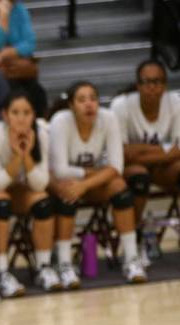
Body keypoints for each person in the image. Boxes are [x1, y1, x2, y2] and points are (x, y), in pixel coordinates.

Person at [49, 81, 147, 286]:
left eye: (93, 98)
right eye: (82, 100)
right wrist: (92, 174)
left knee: (119, 187)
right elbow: (60, 170)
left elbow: (116, 167)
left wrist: (85, 183)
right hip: (59, 183)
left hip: (88, 184)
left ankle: (131, 258)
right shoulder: (60, 120)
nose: (89, 104)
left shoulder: (108, 118)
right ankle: (64, 263)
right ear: (71, 106)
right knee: (68, 187)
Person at [0, 90, 54, 295]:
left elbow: (40, 184)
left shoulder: (41, 133)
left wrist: (27, 155)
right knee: (1, 202)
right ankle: (1, 271)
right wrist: (16, 157)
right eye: (15, 112)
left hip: (23, 190)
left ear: (33, 115)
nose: (21, 118)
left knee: (43, 202)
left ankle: (44, 267)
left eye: (26, 112)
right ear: (5, 115)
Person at [111, 59, 180, 224]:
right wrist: (164, 150)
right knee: (140, 178)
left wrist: (140, 151)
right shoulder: (121, 105)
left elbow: (179, 149)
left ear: (165, 85)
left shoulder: (177, 103)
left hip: (163, 167)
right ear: (138, 85)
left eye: (157, 81)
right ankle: (135, 232)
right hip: (130, 167)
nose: (152, 87)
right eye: (146, 82)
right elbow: (122, 153)